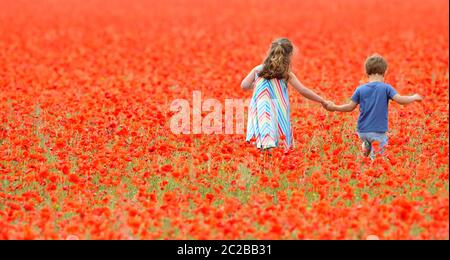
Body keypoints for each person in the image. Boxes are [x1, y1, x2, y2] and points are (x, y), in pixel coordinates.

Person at [325, 54, 423, 159]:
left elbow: (349, 107)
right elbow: (401, 100)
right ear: (385, 72)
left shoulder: (360, 89)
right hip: (378, 131)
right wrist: (414, 97)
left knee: (368, 155)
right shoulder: (386, 88)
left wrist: (334, 107)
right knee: (379, 159)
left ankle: (365, 150)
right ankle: (370, 157)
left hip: (362, 131)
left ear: (366, 73)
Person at [241, 38, 330, 152]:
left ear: (270, 51)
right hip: (278, 112)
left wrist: (257, 85)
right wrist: (322, 100)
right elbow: (303, 90)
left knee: (264, 139)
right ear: (289, 55)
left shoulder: (258, 70)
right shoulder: (285, 73)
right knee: (277, 144)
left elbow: (244, 86)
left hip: (260, 111)